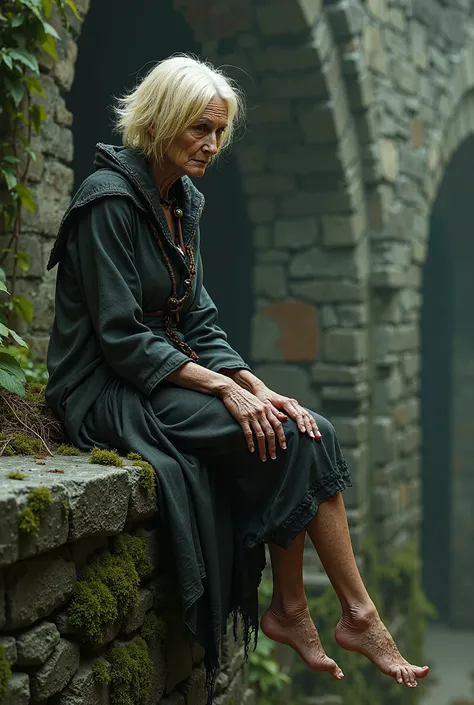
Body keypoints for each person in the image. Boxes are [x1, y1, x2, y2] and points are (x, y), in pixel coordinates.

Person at [45, 54, 429, 697]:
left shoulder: (183, 201)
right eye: (199, 128)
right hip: (108, 389)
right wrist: (221, 388)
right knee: (288, 439)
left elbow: (200, 321)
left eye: (218, 131)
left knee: (306, 426)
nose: (211, 144)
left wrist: (255, 385)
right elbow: (119, 339)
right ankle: (333, 615)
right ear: (162, 120)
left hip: (165, 375)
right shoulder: (107, 201)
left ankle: (314, 611)